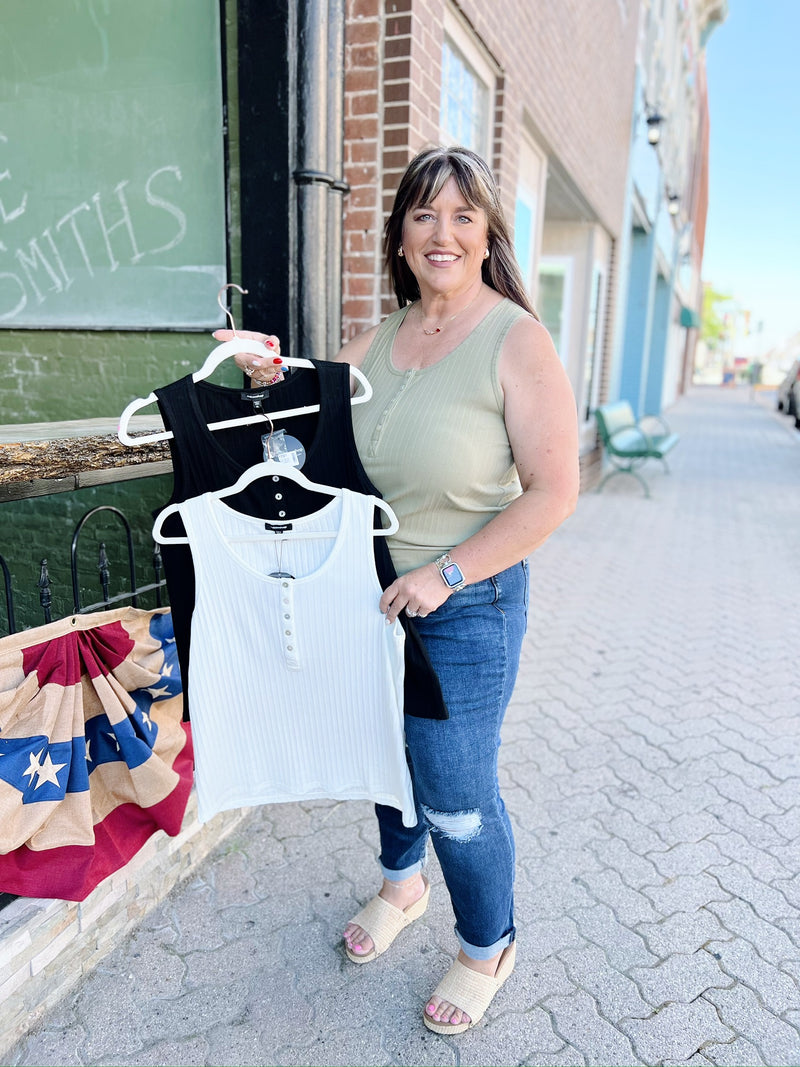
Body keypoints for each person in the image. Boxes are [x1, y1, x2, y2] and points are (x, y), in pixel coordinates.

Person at [223, 145, 579, 1033]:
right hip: (373, 598)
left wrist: (445, 571)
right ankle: (401, 885)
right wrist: (273, 377)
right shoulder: (380, 338)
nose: (442, 232)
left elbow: (555, 493)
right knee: (386, 756)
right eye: (424, 214)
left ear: (489, 230)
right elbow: (311, 415)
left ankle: (487, 942)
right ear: (403, 234)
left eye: (462, 214)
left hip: (467, 602)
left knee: (455, 792)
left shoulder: (516, 339)